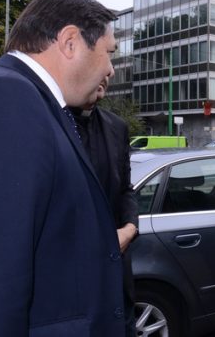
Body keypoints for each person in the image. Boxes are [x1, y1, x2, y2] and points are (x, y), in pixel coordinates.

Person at [0, 0, 125, 336]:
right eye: (109, 53)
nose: (110, 68)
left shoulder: (30, 102)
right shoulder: (7, 100)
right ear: (70, 41)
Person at [70, 76, 139, 337]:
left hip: (116, 268)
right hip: (73, 272)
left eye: (109, 72)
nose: (106, 74)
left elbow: (125, 189)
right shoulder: (53, 121)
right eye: (101, 64)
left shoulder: (117, 126)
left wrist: (130, 228)